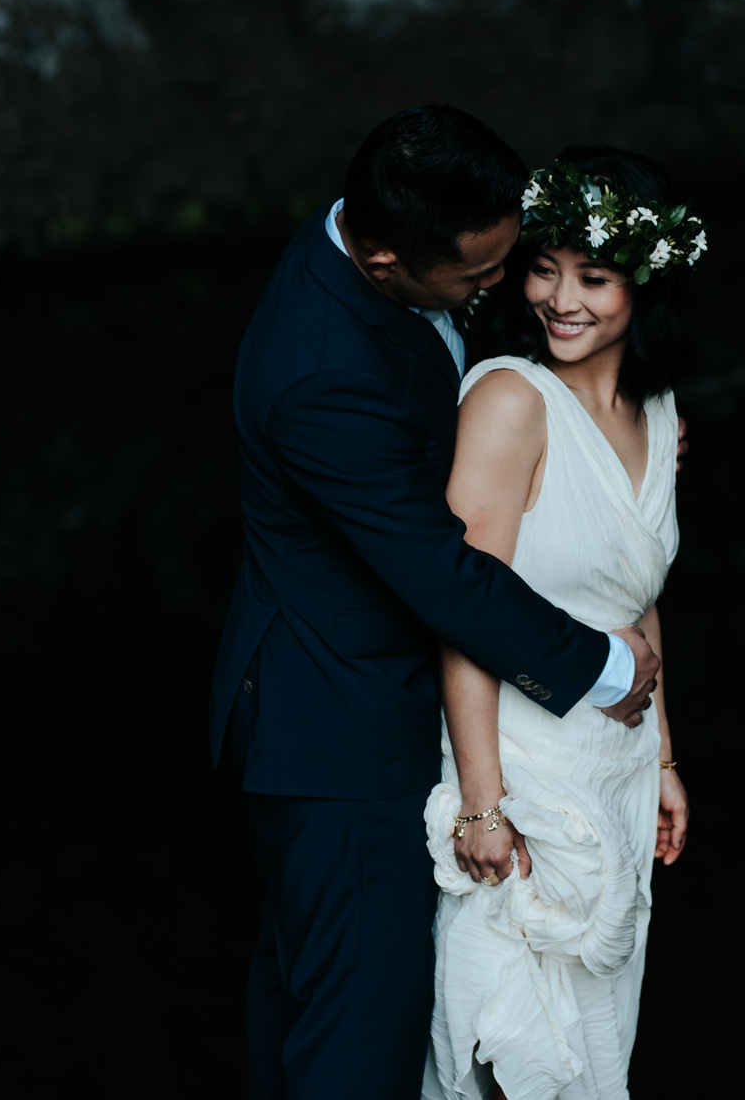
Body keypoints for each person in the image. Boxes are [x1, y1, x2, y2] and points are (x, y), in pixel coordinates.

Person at [211, 107, 662, 1100]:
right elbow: (438, 569)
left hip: (333, 684)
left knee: (304, 989)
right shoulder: (318, 372)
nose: (500, 288)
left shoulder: (383, 232)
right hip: (335, 721)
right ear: (381, 258)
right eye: (475, 277)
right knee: (358, 1032)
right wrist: (607, 665)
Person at [422, 148, 707, 1100]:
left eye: (594, 277)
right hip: (522, 765)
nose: (560, 298)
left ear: (646, 284)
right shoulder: (508, 400)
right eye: (545, 268)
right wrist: (481, 802)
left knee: (595, 1041)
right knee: (513, 1044)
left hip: (616, 770)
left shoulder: (659, 410)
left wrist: (664, 757)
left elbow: (637, 590)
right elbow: (464, 609)